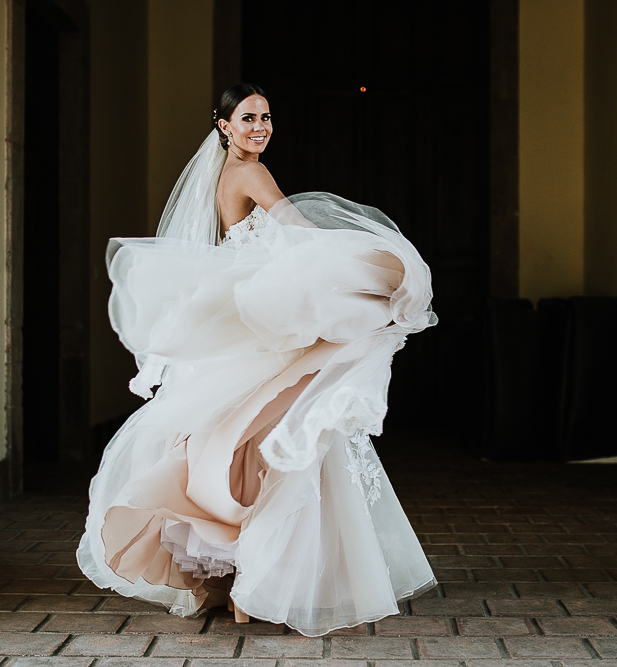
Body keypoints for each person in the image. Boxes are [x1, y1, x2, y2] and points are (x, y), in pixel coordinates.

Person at [76, 83, 437, 636]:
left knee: (237, 441)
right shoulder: (251, 174)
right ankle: (264, 585)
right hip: (259, 325)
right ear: (222, 125)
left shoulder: (220, 177)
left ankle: (234, 583)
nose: (259, 128)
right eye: (247, 118)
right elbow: (299, 233)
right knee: (279, 440)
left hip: (244, 322)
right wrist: (366, 270)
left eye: (266, 118)